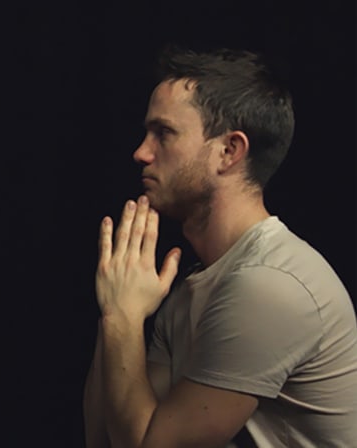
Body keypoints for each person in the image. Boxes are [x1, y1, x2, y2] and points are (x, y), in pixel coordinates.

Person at [83, 46, 357, 447]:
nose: (141, 153)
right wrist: (116, 311)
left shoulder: (270, 285)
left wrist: (121, 316)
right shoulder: (195, 287)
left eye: (164, 133)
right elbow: (108, 435)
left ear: (229, 151)